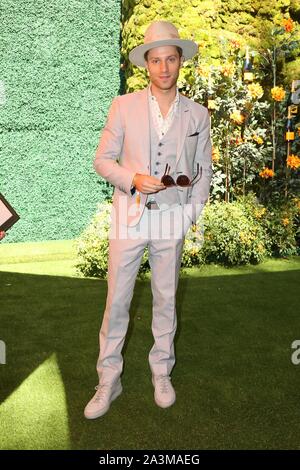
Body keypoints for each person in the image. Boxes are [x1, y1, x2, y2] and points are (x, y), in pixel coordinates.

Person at [84, 20, 212, 419]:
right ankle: (109, 378)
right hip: (129, 217)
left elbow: (205, 170)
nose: (163, 68)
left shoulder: (198, 115)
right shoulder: (123, 106)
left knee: (165, 300)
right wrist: (133, 179)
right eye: (155, 60)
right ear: (146, 65)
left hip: (172, 218)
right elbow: (102, 161)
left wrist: (189, 215)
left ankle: (161, 371)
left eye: (170, 59)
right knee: (117, 300)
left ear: (179, 62)